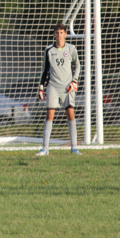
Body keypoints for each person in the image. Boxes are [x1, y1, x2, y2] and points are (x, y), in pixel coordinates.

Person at [35, 24, 82, 156]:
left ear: (66, 34)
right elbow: (45, 69)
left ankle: (74, 148)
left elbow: (77, 66)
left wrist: (74, 81)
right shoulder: (49, 49)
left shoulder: (71, 49)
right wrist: (41, 88)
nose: (59, 35)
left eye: (62, 32)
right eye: (57, 32)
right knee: (50, 115)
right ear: (54, 34)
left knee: (70, 114)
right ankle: (45, 149)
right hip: (53, 86)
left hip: (68, 87)